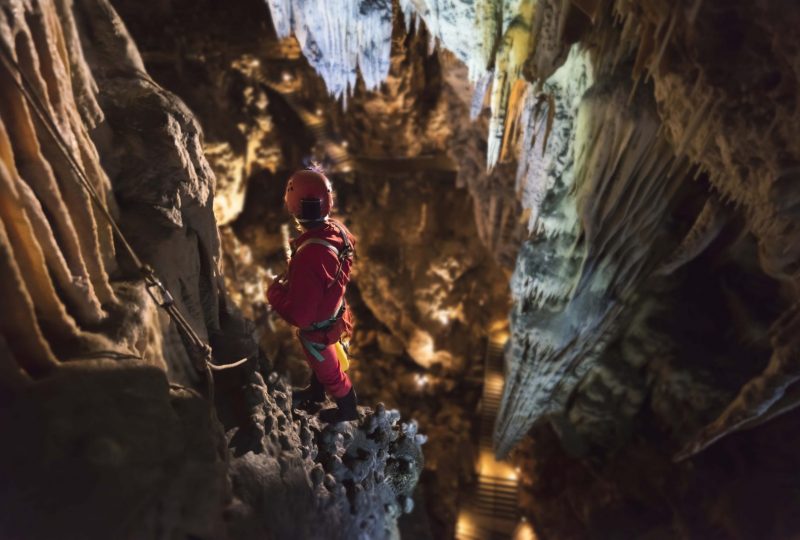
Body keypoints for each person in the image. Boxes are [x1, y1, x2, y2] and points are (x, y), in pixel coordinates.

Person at [267, 166, 358, 423]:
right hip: (337, 311)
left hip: (320, 328)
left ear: (292, 205)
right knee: (323, 369)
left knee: (333, 375)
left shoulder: (309, 255)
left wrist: (274, 293)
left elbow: (301, 316)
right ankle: (316, 394)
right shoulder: (338, 231)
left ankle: (348, 412)